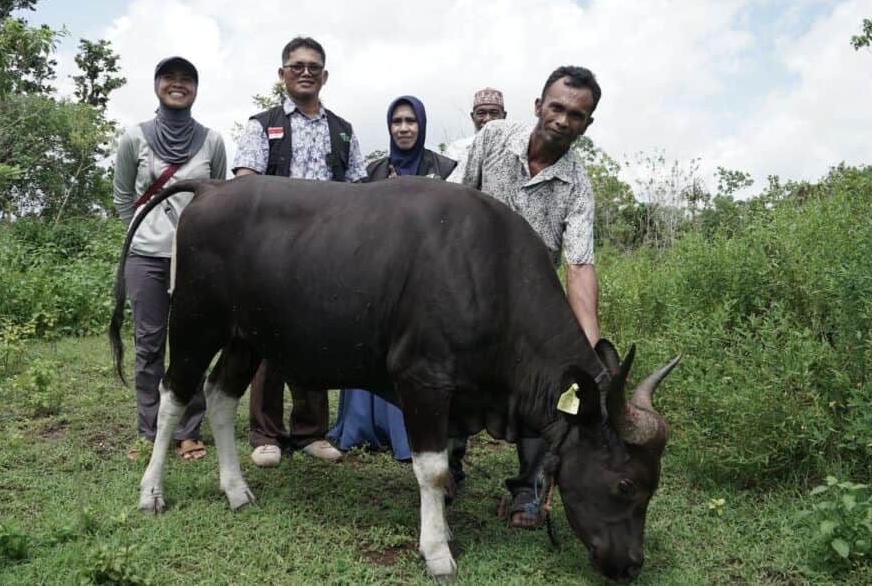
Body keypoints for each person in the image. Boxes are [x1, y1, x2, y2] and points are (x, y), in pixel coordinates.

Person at [449, 66, 603, 528]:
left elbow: (578, 265)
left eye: (576, 115)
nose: (562, 120)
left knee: (549, 392)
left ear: (586, 125)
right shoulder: (493, 137)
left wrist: (590, 352)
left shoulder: (578, 186)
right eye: (556, 108)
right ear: (538, 107)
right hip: (467, 287)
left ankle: (529, 490)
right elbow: (453, 197)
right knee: (453, 379)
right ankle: (450, 469)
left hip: (532, 305)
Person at [232, 36, 367, 467]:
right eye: (296, 66)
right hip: (273, 254)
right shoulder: (261, 124)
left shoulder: (343, 130)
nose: (305, 72)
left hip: (329, 255)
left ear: (324, 75)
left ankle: (310, 431)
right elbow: (244, 185)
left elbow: (360, 191)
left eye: (313, 66)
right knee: (267, 338)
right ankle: (266, 434)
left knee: (320, 337)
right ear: (282, 74)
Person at [328, 95, 457, 460]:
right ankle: (362, 427)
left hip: (428, 283)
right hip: (378, 278)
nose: (403, 128)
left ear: (422, 125)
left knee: (416, 358)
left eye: (410, 121)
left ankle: (408, 435)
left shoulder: (445, 169)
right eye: (397, 121)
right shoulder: (372, 172)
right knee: (370, 346)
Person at [113, 56, 228, 461]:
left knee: (192, 344)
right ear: (157, 85)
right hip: (145, 256)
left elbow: (221, 198)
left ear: (195, 88)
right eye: (169, 78)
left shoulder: (212, 140)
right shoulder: (134, 138)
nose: (177, 85)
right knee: (148, 345)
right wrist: (141, 233)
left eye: (186, 79)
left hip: (197, 261)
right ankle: (149, 430)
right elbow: (122, 195)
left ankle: (188, 430)